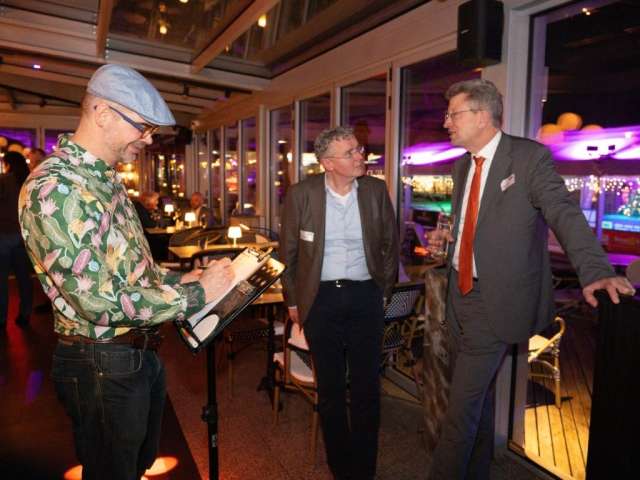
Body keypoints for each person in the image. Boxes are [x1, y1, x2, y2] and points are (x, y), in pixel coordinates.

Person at [18, 64, 233, 480]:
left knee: (132, 466)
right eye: (143, 127)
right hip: (101, 360)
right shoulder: (57, 187)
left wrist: (184, 279)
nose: (148, 139)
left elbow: (132, 270)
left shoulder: (105, 179)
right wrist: (197, 294)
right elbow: (96, 300)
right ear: (102, 113)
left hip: (131, 353)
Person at [426, 79, 635, 480]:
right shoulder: (461, 165)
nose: (446, 122)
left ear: (481, 116)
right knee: (477, 401)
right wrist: (450, 240)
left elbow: (564, 213)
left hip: (495, 302)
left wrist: (596, 270)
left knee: (458, 412)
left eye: (453, 114)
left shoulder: (528, 158)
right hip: (459, 296)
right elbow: (475, 224)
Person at [280, 126, 399, 480]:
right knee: (330, 389)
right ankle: (341, 468)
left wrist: (383, 291)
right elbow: (288, 253)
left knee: (366, 388)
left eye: (359, 149)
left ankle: (364, 469)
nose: (361, 156)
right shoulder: (302, 194)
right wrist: (292, 301)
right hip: (320, 299)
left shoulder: (375, 190)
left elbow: (390, 244)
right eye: (351, 152)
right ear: (328, 163)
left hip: (365, 295)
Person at [0, 151, 33, 329]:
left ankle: (1, 318)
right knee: (24, 277)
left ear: (8, 164)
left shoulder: (3, 181)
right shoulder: (29, 181)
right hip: (23, 236)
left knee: (2, 281)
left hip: (3, 234)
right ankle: (25, 313)